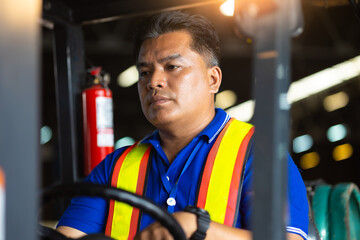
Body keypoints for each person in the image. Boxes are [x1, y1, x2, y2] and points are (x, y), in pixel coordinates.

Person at [57, 11, 309, 240]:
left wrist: (197, 227)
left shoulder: (257, 153)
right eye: (144, 72)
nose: (153, 81)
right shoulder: (115, 168)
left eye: (172, 67)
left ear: (213, 79)